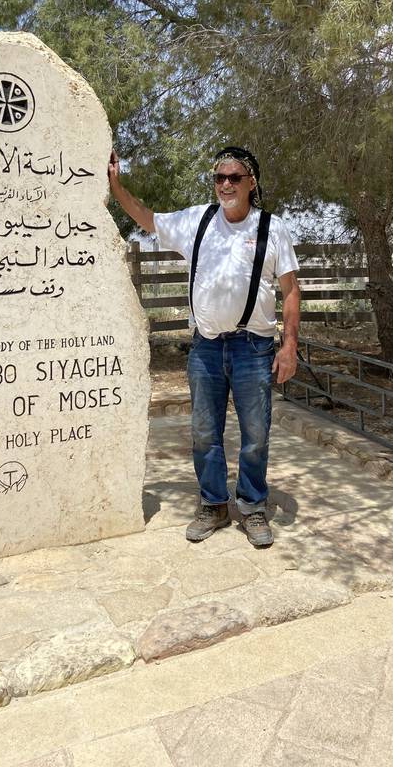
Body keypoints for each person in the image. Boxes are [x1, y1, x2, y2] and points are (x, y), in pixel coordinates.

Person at [108, 145, 300, 547]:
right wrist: (116, 185)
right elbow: (147, 218)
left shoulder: (271, 228)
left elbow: (290, 290)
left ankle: (252, 506)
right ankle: (213, 505)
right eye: (219, 178)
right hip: (207, 348)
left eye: (234, 178)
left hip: (254, 347)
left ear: (252, 184)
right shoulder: (197, 220)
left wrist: (290, 344)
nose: (225, 184)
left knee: (256, 433)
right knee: (203, 431)